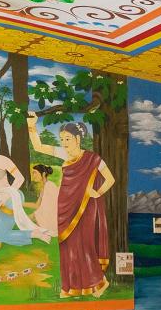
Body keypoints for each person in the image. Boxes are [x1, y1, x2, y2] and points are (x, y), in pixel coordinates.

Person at [27, 113, 114, 298]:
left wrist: (97, 193)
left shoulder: (92, 158)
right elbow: (38, 146)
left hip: (85, 207)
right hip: (65, 207)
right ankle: (71, 287)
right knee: (68, 246)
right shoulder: (62, 153)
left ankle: (99, 283)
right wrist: (32, 126)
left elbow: (110, 179)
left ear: (78, 138)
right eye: (61, 139)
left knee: (84, 245)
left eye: (67, 139)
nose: (64, 142)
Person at [26, 164, 59, 236]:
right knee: (26, 219)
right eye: (32, 173)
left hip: (51, 219)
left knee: (27, 220)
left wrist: (35, 215)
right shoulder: (44, 187)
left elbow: (52, 207)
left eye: (35, 173)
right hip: (45, 215)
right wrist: (21, 203)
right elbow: (37, 205)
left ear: (43, 174)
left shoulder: (50, 186)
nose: (33, 175)